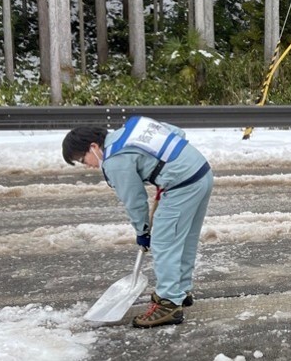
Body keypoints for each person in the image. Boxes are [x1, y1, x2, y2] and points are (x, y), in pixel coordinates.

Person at [63, 117, 214, 328]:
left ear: (93, 146)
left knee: (163, 243)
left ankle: (169, 304)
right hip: (201, 172)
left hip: (182, 184)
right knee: (185, 237)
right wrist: (163, 169)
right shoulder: (132, 126)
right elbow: (177, 133)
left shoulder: (114, 161)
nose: (87, 166)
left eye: (82, 159)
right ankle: (181, 290)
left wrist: (143, 231)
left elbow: (134, 200)